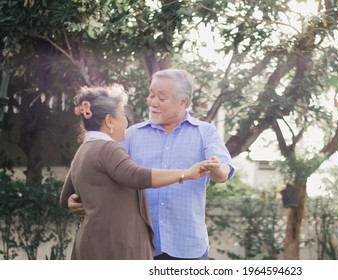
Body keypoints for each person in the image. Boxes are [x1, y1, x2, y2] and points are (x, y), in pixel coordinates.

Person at [68, 69, 235, 260]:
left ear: (183, 102)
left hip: (187, 245)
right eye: (151, 94)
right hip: (140, 245)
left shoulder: (205, 133)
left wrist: (216, 168)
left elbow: (223, 172)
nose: (152, 102)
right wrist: (75, 198)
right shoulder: (130, 135)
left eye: (161, 98)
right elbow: (96, 169)